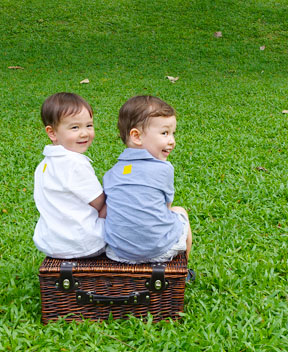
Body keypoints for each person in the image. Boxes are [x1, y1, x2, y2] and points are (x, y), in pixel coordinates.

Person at [103, 95, 193, 266]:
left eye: (173, 133)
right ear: (137, 136)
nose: (172, 141)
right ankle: (183, 269)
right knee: (180, 211)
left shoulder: (111, 174)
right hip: (159, 250)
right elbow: (166, 208)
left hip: (118, 253)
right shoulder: (163, 169)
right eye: (165, 133)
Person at [33, 92, 106, 259]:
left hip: (52, 244)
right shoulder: (74, 163)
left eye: (89, 125)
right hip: (84, 244)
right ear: (52, 133)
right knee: (118, 198)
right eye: (75, 127)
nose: (84, 133)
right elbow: (99, 202)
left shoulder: (44, 165)